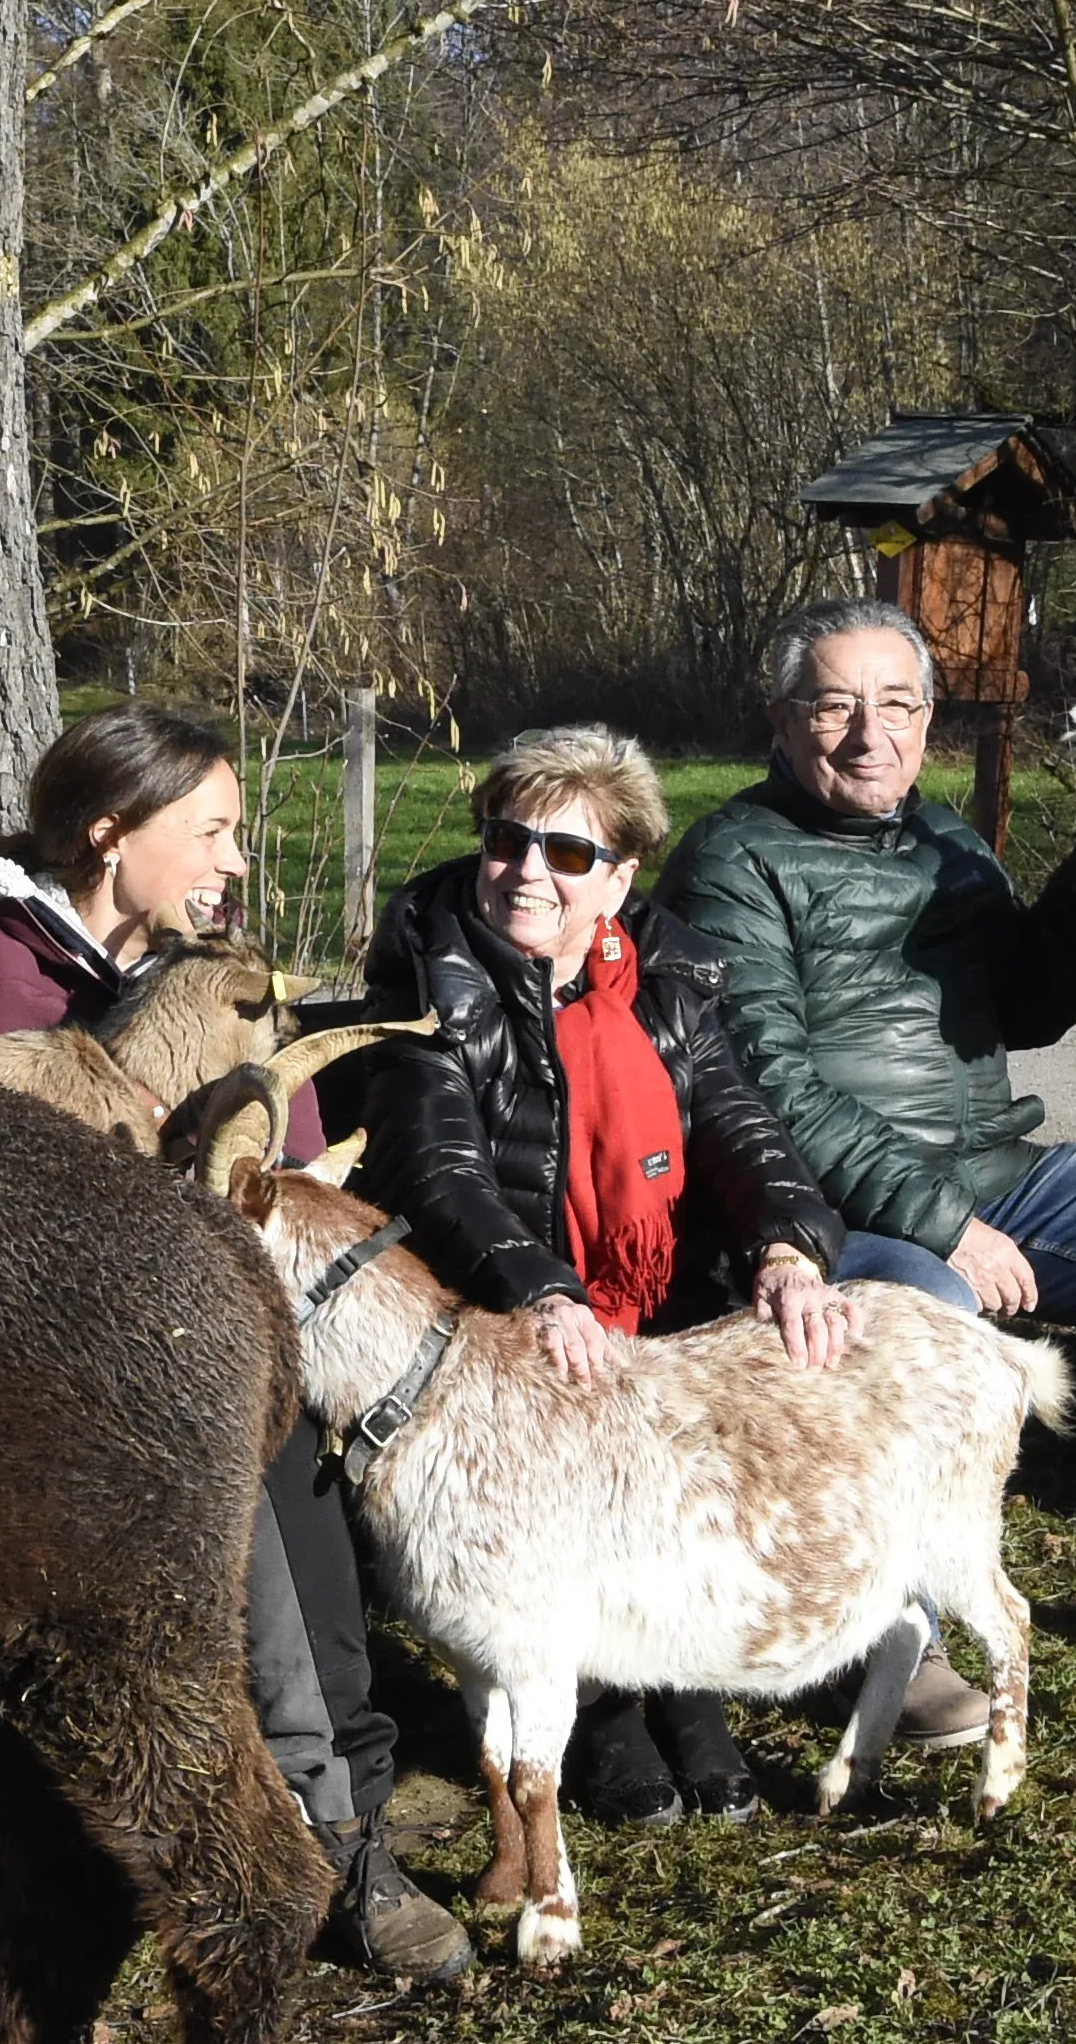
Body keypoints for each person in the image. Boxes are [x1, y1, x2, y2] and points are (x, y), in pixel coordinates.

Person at [0, 706, 473, 1980]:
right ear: (106, 835)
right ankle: (100, 1855)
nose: (233, 863)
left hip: (178, 1340)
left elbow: (284, 1150)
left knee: (283, 1467)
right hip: (2, 1375)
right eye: (211, 834)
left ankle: (340, 1829)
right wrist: (10, 1103)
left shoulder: (196, 969)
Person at [664, 600, 1076, 1636]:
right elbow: (765, 1085)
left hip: (986, 1165)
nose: (868, 734)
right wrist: (944, 1225)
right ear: (780, 721)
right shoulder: (732, 860)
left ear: (926, 719)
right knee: (924, 1301)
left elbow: (1025, 1007)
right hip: (814, 1205)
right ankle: (889, 1625)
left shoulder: (944, 839)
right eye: (833, 705)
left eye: (895, 704)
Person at [347, 725, 869, 1825]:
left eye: (567, 853)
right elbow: (433, 1165)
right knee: (570, 1422)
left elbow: (737, 1124)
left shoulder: (665, 972)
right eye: (506, 839)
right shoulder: (425, 965)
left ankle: (681, 1688)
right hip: (485, 1302)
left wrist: (785, 1245)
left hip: (653, 1289)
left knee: (711, 1398)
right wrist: (539, 1283)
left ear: (620, 879)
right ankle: (601, 1704)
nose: (526, 871)